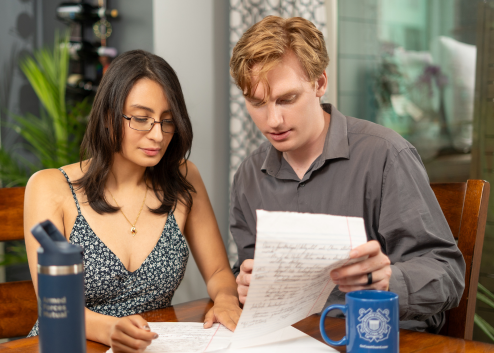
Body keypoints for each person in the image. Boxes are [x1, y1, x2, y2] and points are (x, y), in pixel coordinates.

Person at [229, 16, 465, 333]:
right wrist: (243, 285)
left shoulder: (385, 155)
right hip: (291, 337)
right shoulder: (249, 176)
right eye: (256, 102)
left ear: (320, 83)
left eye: (287, 99)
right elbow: (251, 272)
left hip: (380, 337)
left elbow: (447, 273)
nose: (273, 120)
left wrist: (387, 280)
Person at [24, 50, 241, 352]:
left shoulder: (184, 178)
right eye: (141, 119)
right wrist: (111, 329)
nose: (158, 135)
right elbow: (55, 306)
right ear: (108, 117)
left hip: (150, 345)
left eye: (167, 121)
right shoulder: (49, 187)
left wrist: (226, 299)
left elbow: (219, 272)